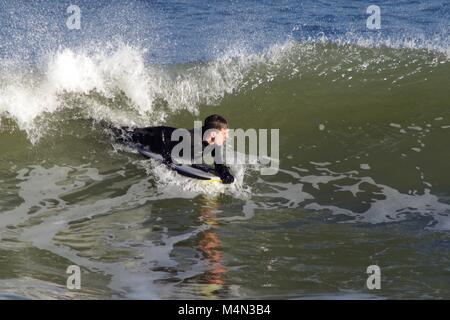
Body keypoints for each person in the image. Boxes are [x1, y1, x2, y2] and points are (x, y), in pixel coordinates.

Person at [111, 114, 235, 184]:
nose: (227, 136)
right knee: (118, 134)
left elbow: (218, 161)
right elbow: (163, 134)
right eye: (224, 133)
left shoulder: (214, 141)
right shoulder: (191, 139)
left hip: (168, 141)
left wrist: (224, 172)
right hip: (153, 136)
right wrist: (167, 158)